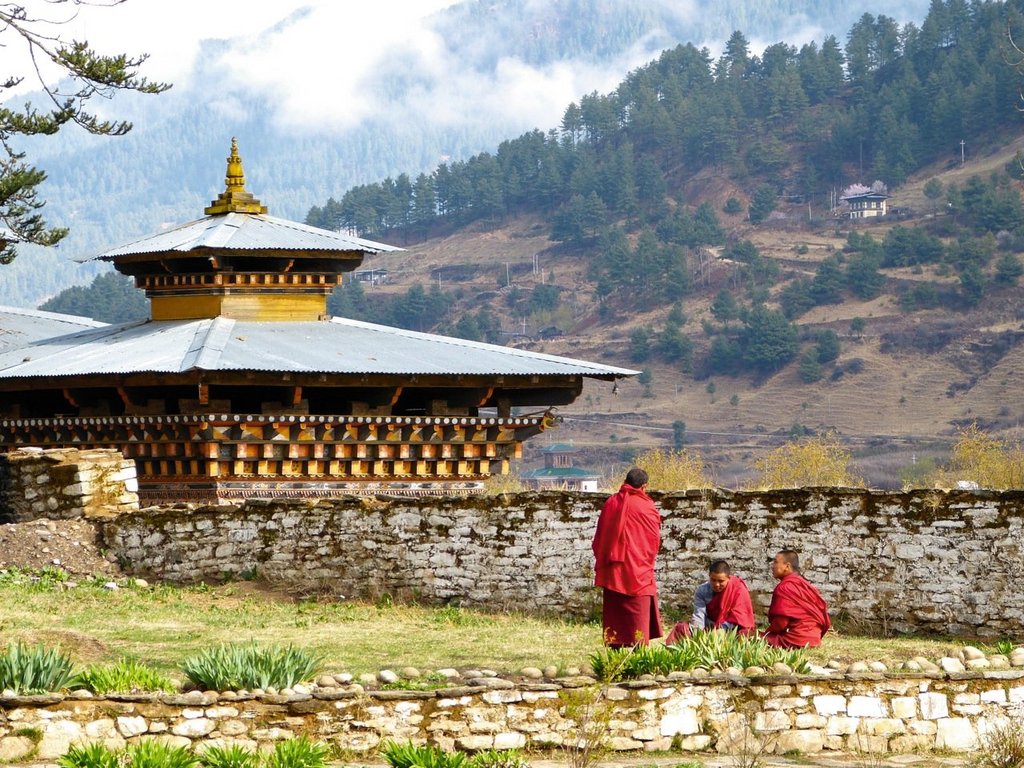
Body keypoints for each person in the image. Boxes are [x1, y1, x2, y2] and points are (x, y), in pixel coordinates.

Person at [592, 467, 662, 648]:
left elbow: (601, 536)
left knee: (616, 611)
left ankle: (615, 645)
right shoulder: (646, 506)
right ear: (644, 486)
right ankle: (640, 648)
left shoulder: (611, 503)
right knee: (638, 609)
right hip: (638, 567)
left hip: (615, 569)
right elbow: (653, 541)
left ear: (625, 482)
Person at [665, 559, 756, 644]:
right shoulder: (702, 591)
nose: (716, 584)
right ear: (709, 576)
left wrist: (719, 632)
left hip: (730, 629)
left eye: (721, 581)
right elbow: (699, 615)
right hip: (709, 626)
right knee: (681, 628)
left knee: (745, 634)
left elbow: (738, 618)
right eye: (713, 580)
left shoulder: (738, 589)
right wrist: (698, 634)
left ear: (728, 578)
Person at [762, 549, 831, 648]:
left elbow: (781, 623)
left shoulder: (784, 587)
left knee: (750, 636)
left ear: (787, 566)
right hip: (815, 640)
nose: (772, 566)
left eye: (776, 562)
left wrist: (766, 634)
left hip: (797, 640)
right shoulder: (805, 585)